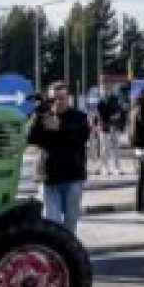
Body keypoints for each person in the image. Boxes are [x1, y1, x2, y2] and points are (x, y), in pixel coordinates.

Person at [27, 82, 91, 234]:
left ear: (68, 98)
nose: (58, 102)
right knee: (51, 222)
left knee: (70, 222)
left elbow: (81, 137)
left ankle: (67, 255)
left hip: (73, 176)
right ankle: (54, 254)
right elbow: (30, 138)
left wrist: (60, 127)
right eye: (53, 99)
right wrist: (38, 116)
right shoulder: (43, 116)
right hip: (49, 177)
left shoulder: (79, 116)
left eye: (62, 98)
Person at [97, 89, 125, 176]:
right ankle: (105, 168)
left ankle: (116, 167)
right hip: (105, 128)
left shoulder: (115, 100)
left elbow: (120, 113)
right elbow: (99, 115)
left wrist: (117, 118)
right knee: (105, 148)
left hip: (113, 127)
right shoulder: (100, 102)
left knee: (115, 148)